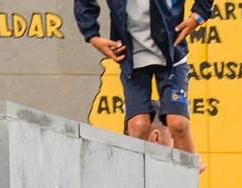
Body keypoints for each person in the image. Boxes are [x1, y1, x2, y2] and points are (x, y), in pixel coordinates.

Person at [81, 0, 215, 154]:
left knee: (178, 123)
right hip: (133, 57)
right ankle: (134, 175)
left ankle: (191, 167)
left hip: (171, 54)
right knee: (138, 126)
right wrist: (92, 35)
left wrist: (199, 15)